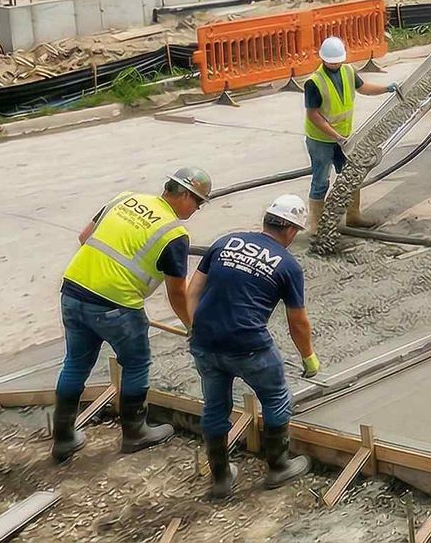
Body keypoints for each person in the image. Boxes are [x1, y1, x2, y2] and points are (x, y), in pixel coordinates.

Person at [52, 166, 210, 463]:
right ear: (185, 195)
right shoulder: (174, 233)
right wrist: (193, 325)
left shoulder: (125, 198)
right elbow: (177, 293)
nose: (197, 208)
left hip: (73, 290)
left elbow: (85, 237)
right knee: (136, 363)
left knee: (75, 363)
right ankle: (135, 432)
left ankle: (62, 439)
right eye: (198, 202)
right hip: (117, 305)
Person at [188, 194, 318, 498]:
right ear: (290, 230)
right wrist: (308, 357)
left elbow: (192, 289)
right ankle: (278, 467)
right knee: (274, 397)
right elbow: (297, 321)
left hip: (205, 343)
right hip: (248, 346)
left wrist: (195, 328)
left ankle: (220, 477)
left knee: (215, 405)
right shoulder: (287, 265)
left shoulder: (225, 241)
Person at [304, 35, 397, 232]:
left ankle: (353, 216)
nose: (337, 64)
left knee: (351, 175)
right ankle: (316, 227)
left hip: (344, 139)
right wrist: (334, 136)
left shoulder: (347, 71)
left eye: (339, 60)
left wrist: (385, 89)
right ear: (323, 59)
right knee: (321, 181)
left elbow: (363, 87)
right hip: (321, 139)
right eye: (333, 61)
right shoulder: (314, 82)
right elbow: (314, 116)